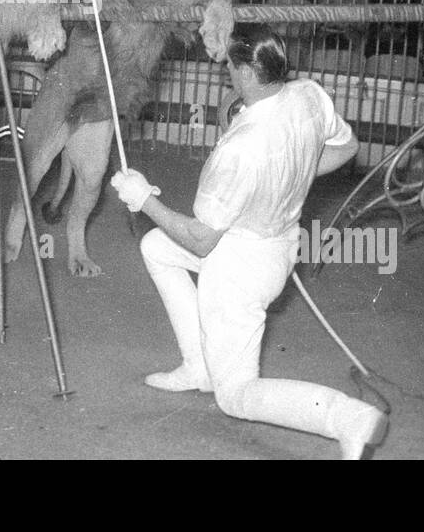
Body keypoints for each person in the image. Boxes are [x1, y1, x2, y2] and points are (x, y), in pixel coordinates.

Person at [111, 26, 389, 460]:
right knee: (158, 249)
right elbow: (347, 147)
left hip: (237, 269)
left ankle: (346, 418)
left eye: (230, 66)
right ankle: (197, 365)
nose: (226, 72)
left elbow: (201, 241)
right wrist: (290, 174)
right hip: (279, 247)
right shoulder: (309, 95)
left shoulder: (239, 149)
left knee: (235, 395)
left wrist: (142, 199)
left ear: (244, 71)